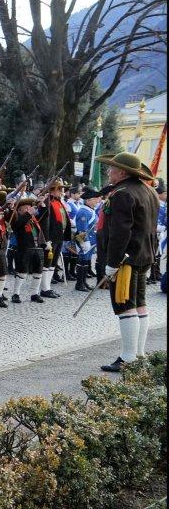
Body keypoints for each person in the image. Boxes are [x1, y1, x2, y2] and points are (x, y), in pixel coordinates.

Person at [94, 152, 159, 372]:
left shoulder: (122, 194)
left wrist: (112, 263)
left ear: (122, 172)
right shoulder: (148, 191)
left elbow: (120, 232)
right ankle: (138, 354)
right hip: (143, 256)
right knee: (139, 305)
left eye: (112, 169)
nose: (109, 172)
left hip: (126, 260)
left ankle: (128, 358)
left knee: (125, 305)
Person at [37, 179, 71, 298]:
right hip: (51, 237)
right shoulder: (47, 202)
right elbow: (44, 222)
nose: (62, 192)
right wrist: (47, 239)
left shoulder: (58, 202)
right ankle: (44, 289)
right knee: (47, 263)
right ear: (53, 190)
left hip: (59, 236)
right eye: (60, 189)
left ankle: (48, 287)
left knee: (53, 263)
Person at [10, 196, 46, 303]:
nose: (28, 209)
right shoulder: (17, 219)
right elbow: (18, 224)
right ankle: (16, 294)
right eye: (25, 208)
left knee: (38, 272)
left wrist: (42, 204)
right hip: (25, 248)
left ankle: (34, 293)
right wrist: (28, 214)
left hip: (37, 247)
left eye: (29, 208)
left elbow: (45, 216)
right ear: (20, 210)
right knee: (22, 271)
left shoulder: (34, 219)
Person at [71, 187, 101, 292]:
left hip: (91, 240)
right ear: (88, 200)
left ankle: (83, 282)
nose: (98, 200)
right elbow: (82, 229)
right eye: (95, 198)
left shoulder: (90, 210)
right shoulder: (84, 212)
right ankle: (79, 284)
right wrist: (84, 242)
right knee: (82, 261)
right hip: (86, 241)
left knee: (86, 261)